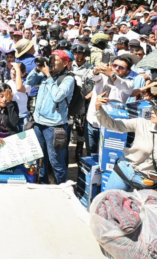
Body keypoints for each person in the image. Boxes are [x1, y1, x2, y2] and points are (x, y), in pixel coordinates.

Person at [95, 95, 157, 192]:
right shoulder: (141, 124)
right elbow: (113, 124)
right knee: (108, 204)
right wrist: (98, 108)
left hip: (147, 184)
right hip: (123, 172)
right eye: (154, 108)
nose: (153, 112)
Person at [31, 50, 74, 184]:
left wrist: (49, 77)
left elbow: (58, 96)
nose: (52, 62)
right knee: (41, 159)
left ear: (65, 63)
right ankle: (44, 185)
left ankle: (62, 187)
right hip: (38, 123)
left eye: (55, 60)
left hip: (54, 126)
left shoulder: (68, 79)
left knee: (56, 161)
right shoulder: (45, 76)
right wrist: (37, 68)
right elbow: (30, 81)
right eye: (51, 59)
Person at [84, 54, 135, 156]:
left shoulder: (129, 83)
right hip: (92, 122)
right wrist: (96, 70)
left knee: (107, 157)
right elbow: (91, 77)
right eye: (115, 65)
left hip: (111, 126)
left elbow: (123, 86)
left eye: (121, 68)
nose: (116, 69)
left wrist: (111, 74)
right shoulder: (102, 77)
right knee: (91, 154)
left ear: (127, 71)